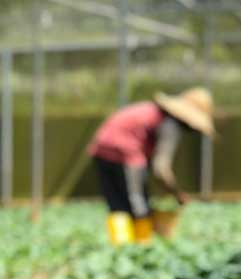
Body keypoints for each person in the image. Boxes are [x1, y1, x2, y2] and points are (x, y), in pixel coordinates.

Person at [87, 87, 215, 245]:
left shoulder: (151, 111)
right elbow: (160, 168)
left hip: (101, 148)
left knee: (117, 204)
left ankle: (120, 249)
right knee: (138, 203)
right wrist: (177, 194)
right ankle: (142, 247)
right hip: (127, 151)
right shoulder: (170, 124)